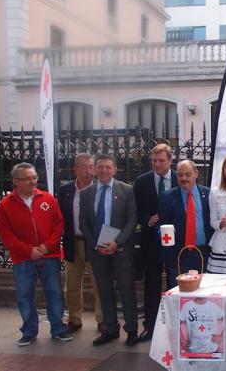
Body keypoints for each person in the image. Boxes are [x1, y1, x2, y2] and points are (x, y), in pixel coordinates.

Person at [0, 163, 73, 346]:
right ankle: (29, 331)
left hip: (49, 256)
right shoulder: (5, 205)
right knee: (25, 295)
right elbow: (6, 233)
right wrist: (27, 250)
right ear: (16, 181)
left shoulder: (47, 198)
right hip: (23, 258)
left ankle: (58, 328)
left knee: (54, 293)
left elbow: (58, 224)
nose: (32, 181)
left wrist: (47, 246)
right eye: (27, 178)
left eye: (34, 177)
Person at [79, 154, 139, 347]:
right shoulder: (87, 193)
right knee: (104, 291)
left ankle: (131, 330)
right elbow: (83, 222)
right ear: (95, 170)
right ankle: (110, 329)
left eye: (108, 167)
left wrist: (117, 242)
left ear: (114, 170)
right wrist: (95, 244)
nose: (104, 170)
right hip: (98, 251)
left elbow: (132, 220)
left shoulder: (126, 190)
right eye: (100, 167)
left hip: (120, 250)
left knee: (126, 290)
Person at [133, 143, 178, 342]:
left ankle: (174, 326)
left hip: (174, 242)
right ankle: (150, 327)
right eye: (154, 161)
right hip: (151, 241)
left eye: (161, 161)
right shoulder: (142, 182)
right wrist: (146, 220)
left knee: (174, 283)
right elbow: (135, 211)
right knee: (151, 284)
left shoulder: (180, 178)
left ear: (170, 161)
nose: (157, 164)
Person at [57, 153, 103, 334]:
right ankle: (74, 319)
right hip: (72, 243)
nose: (89, 171)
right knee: (72, 286)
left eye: (92, 166)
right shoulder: (65, 190)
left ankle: (102, 319)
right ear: (75, 169)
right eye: (84, 166)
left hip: (93, 244)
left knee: (99, 285)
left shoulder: (101, 189)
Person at [158, 160, 214, 287]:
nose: (183, 178)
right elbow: (160, 223)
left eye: (187, 174)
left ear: (196, 173)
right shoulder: (167, 197)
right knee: (179, 295)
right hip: (178, 255)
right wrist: (162, 233)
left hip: (204, 254)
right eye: (180, 175)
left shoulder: (209, 194)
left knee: (205, 292)